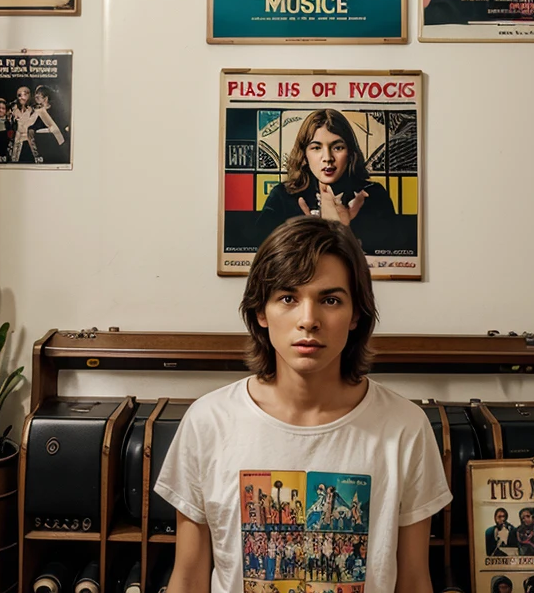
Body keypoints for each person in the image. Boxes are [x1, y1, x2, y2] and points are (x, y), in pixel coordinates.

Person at [154, 215, 452, 593]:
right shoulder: (208, 422)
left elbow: (413, 579)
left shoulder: (405, 428)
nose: (308, 320)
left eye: (330, 300)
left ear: (356, 314)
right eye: (288, 298)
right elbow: (189, 576)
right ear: (261, 312)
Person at [256, 108, 396, 255]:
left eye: (337, 147)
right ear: (304, 154)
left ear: (350, 152)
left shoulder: (374, 196)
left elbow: (389, 255)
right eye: (316, 147)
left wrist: (346, 230)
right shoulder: (282, 196)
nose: (328, 157)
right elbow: (261, 254)